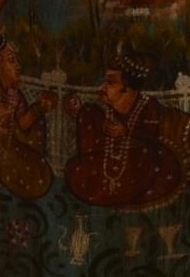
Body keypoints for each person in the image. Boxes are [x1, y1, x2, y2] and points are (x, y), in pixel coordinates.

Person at [64, 53, 183, 208]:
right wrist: (80, 112)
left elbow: (151, 134)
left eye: (111, 83)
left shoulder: (148, 105)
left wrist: (126, 131)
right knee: (75, 169)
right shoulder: (107, 109)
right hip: (110, 164)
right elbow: (96, 123)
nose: (102, 88)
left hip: (140, 165)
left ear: (127, 87)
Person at [0, 34, 57, 199]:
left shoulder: (15, 95)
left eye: (17, 61)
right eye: (11, 60)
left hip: (12, 144)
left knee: (38, 169)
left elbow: (21, 125)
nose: (18, 66)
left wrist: (39, 108)